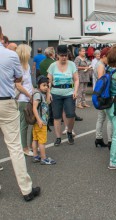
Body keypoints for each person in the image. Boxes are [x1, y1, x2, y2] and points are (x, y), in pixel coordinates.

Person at [0, 26, 40, 201]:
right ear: (1, 35)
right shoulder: (10, 55)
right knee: (15, 147)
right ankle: (26, 189)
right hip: (5, 101)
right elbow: (18, 79)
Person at [47, 45, 79, 146]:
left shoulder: (72, 64)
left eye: (66, 55)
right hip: (56, 93)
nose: (64, 57)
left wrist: (75, 91)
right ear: (57, 55)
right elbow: (49, 81)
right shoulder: (52, 66)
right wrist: (48, 93)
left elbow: (76, 79)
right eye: (62, 56)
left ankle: (69, 131)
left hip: (69, 92)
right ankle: (58, 137)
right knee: (56, 116)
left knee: (71, 114)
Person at [32, 76, 56, 165]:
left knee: (35, 139)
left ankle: (35, 156)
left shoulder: (42, 94)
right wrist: (39, 120)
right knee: (42, 141)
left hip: (38, 121)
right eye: (44, 85)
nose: (46, 87)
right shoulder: (38, 94)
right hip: (41, 122)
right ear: (39, 86)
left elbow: (48, 102)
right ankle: (43, 158)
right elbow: (34, 108)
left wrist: (48, 91)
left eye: (47, 85)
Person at [15, 44, 34, 157]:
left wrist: (33, 93)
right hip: (23, 99)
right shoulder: (19, 67)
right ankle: (24, 147)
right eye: (29, 52)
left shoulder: (26, 65)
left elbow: (29, 83)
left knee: (31, 122)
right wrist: (29, 95)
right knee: (24, 124)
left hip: (28, 97)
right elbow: (18, 85)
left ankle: (31, 145)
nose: (30, 54)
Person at [93, 47, 112, 148]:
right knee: (109, 118)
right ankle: (110, 140)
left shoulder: (99, 64)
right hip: (103, 94)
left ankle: (98, 138)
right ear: (104, 56)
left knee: (101, 118)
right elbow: (102, 80)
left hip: (98, 94)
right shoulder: (101, 66)